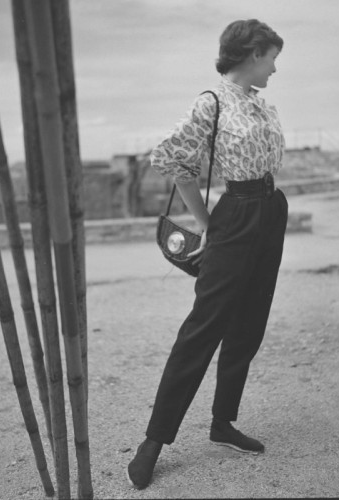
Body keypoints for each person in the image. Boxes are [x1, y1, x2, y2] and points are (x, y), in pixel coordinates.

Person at [127, 18, 287, 490]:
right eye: (273, 57)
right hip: (234, 214)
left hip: (272, 210)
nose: (276, 68)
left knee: (250, 322)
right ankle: (154, 441)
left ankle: (223, 422)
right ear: (253, 53)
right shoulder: (212, 102)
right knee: (203, 327)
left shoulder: (258, 104)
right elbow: (172, 160)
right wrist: (207, 224)